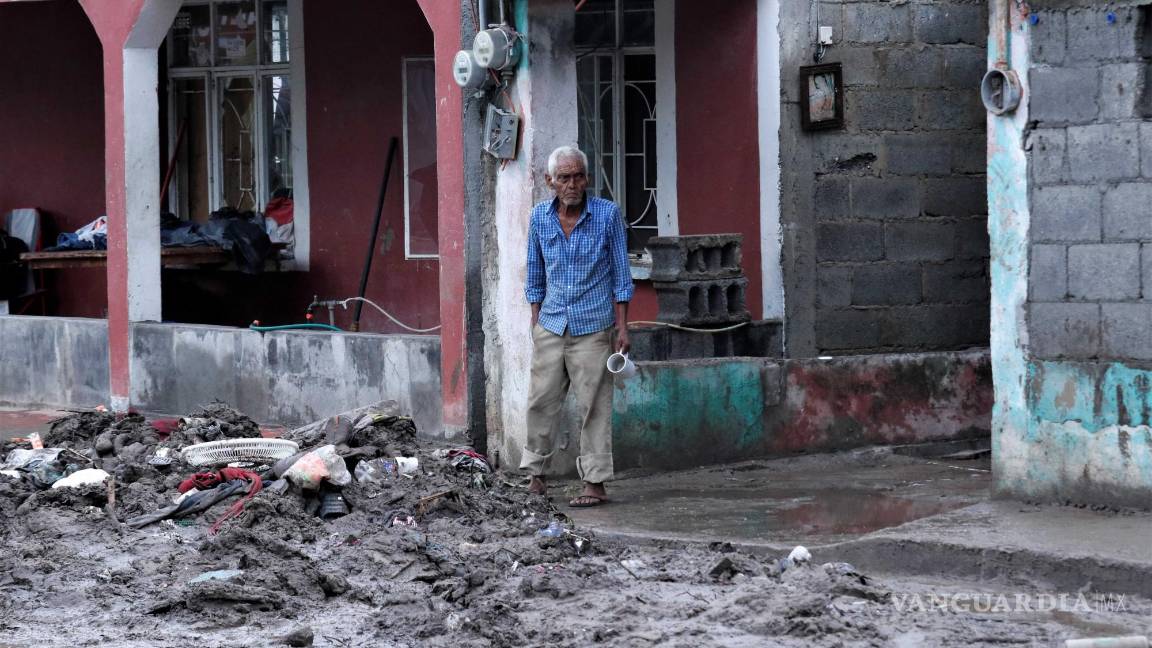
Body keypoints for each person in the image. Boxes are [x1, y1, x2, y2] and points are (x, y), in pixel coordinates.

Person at [521, 145, 634, 507]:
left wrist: (623, 327)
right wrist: (536, 321)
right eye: (564, 178)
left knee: (594, 406)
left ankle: (595, 483)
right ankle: (536, 475)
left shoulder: (606, 215)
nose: (573, 184)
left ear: (587, 178)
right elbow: (535, 273)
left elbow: (621, 274)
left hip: (593, 326)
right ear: (549, 181)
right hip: (552, 325)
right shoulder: (540, 217)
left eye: (578, 176)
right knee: (541, 401)